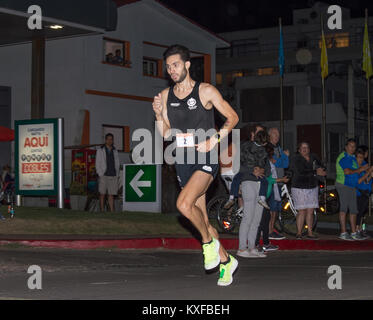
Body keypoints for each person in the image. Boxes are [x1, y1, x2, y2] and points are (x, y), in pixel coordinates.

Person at [152, 44, 239, 286]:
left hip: (206, 159)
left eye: (176, 65)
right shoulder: (166, 96)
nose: (172, 70)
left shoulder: (206, 91)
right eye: (168, 67)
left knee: (183, 204)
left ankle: (208, 246)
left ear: (187, 65)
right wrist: (159, 115)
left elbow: (233, 117)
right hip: (183, 162)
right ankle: (226, 261)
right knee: (201, 218)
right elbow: (166, 134)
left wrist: (215, 139)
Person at [237, 125, 269, 258]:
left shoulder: (263, 151)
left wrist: (261, 171)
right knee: (248, 217)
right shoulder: (244, 147)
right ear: (252, 134)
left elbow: (267, 169)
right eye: (258, 132)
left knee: (256, 219)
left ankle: (251, 247)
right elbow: (238, 166)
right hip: (248, 182)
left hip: (260, 184)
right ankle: (242, 248)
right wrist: (252, 170)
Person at [255, 145, 289, 252]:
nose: (273, 156)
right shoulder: (263, 163)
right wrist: (281, 179)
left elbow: (283, 164)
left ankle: (265, 243)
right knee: (261, 221)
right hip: (260, 197)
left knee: (265, 220)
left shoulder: (269, 163)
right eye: (271, 154)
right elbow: (268, 179)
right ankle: (256, 244)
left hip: (266, 197)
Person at [289, 142, 326, 239]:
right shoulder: (295, 158)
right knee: (302, 211)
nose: (305, 149)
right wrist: (315, 172)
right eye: (303, 147)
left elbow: (321, 165)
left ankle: (310, 232)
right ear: (299, 150)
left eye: (307, 147)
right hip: (299, 187)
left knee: (310, 210)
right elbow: (300, 171)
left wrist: (321, 170)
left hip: (312, 187)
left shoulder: (314, 156)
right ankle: (299, 233)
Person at [336, 139, 369, 241]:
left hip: (352, 186)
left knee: (354, 210)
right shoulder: (344, 157)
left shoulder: (353, 158)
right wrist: (361, 169)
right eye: (350, 146)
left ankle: (354, 232)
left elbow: (357, 173)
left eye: (354, 146)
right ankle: (343, 232)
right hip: (344, 185)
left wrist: (365, 171)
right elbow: (347, 172)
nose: (352, 148)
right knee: (344, 209)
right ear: (346, 147)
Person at [267, 127, 289, 240]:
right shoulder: (268, 148)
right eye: (275, 133)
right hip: (272, 182)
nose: (277, 136)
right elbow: (276, 162)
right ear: (269, 135)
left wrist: (284, 158)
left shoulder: (279, 148)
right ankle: (269, 231)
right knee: (271, 207)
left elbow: (285, 164)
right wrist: (284, 156)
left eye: (278, 134)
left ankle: (271, 229)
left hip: (279, 181)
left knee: (275, 208)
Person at [95, 133, 120, 212]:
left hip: (113, 175)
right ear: (105, 140)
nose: (109, 141)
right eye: (108, 139)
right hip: (104, 175)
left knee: (111, 194)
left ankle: (112, 211)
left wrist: (117, 173)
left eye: (111, 139)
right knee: (102, 194)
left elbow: (117, 163)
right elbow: (97, 163)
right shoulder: (100, 150)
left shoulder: (115, 151)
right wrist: (100, 173)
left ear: (113, 141)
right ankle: (102, 210)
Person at [355, 146, 372, 239]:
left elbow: (366, 180)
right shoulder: (357, 166)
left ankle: (362, 229)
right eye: (359, 157)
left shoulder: (365, 164)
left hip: (366, 191)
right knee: (359, 212)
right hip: (359, 192)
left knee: (363, 213)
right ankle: (357, 230)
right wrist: (368, 172)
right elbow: (359, 180)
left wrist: (370, 175)